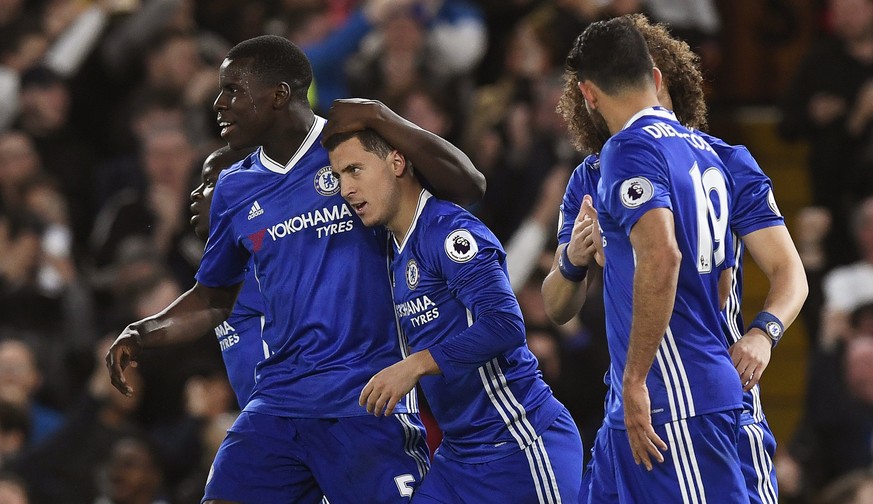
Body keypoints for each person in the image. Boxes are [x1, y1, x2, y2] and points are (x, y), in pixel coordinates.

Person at [106, 35, 485, 504]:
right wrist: (142, 331)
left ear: (280, 95)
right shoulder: (234, 187)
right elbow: (213, 296)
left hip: (364, 400)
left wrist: (381, 116)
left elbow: (467, 185)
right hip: (278, 403)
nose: (219, 103)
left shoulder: (351, 151)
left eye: (233, 91)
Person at [542, 14, 809, 504]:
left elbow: (789, 269)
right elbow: (556, 305)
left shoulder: (725, 159)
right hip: (638, 404)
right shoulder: (592, 176)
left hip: (690, 392)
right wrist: (572, 261)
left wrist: (764, 332)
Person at [325, 128, 583, 502]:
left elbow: (505, 324)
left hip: (519, 441)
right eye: (338, 177)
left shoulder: (449, 231)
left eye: (354, 170)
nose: (345, 189)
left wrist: (416, 365)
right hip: (459, 458)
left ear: (396, 162)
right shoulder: (394, 252)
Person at [189, 146, 262, 409]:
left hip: (304, 423)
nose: (196, 193)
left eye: (210, 182)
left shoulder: (271, 261)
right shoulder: (226, 269)